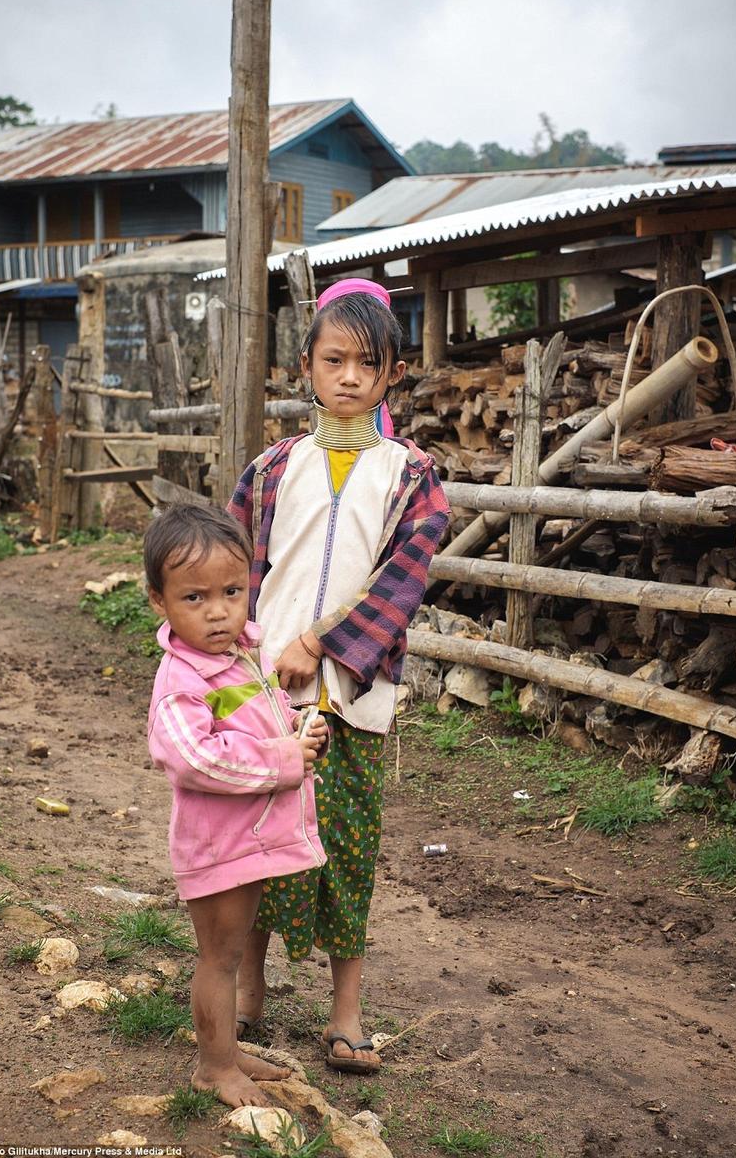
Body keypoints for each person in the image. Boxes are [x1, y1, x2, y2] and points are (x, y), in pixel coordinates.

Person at [228, 278, 450, 1073]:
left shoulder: (413, 478)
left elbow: (401, 584)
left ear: (393, 373)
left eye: (368, 363)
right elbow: (237, 578)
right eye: (334, 360)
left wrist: (319, 645)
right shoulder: (269, 470)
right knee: (255, 840)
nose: (350, 377)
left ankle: (346, 1012)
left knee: (346, 848)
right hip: (261, 692)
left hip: (353, 696)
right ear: (305, 367)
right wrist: (234, 667)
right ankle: (249, 988)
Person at [144, 502, 329, 1107]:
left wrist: (297, 726)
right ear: (160, 602)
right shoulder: (182, 679)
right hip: (217, 843)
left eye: (231, 590)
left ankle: (226, 1049)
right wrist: (285, 758)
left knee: (231, 945)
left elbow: (257, 720)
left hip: (245, 839)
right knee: (219, 957)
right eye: (194, 598)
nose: (219, 610)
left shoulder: (239, 656)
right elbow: (195, 757)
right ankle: (213, 1068)